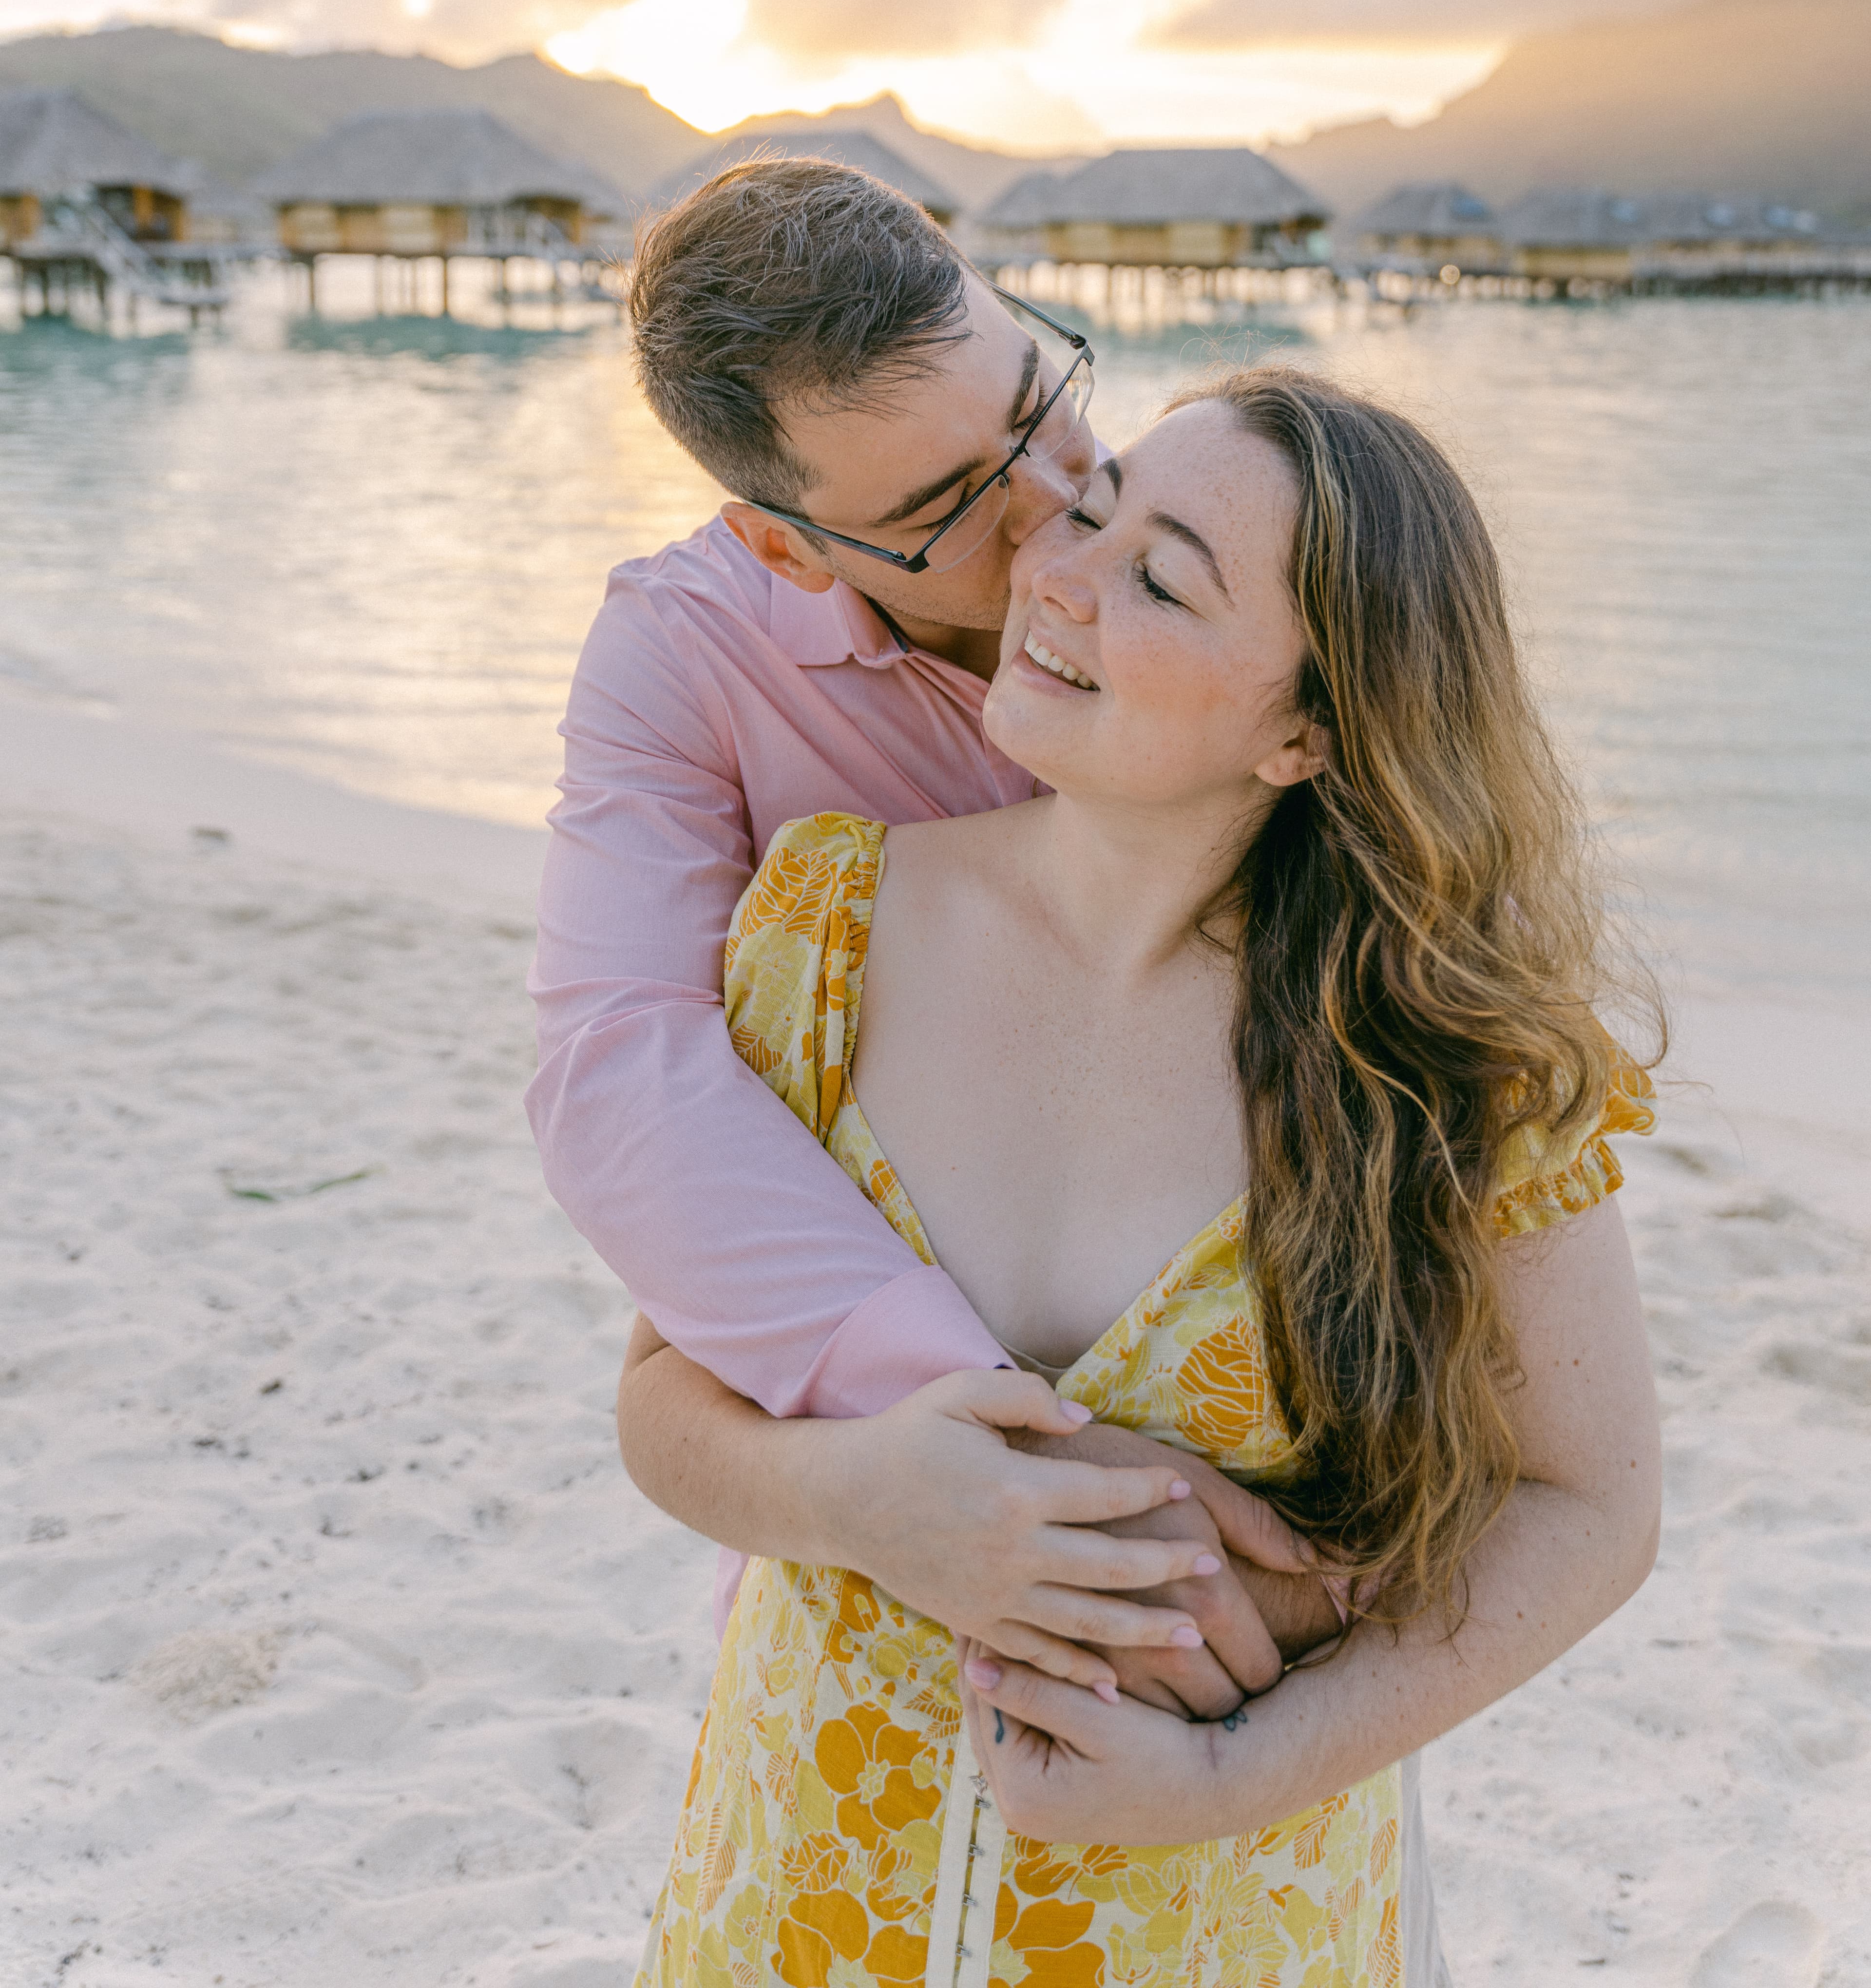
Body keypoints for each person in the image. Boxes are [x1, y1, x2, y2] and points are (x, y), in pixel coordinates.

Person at [616, 367, 1661, 1987]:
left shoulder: (1453, 1065)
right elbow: (664, 1406)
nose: (1058, 579)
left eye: (1164, 579)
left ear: (1306, 727)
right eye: (1094, 513)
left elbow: (1592, 1511)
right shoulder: (822, 927)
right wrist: (872, 1503)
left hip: (1232, 1914)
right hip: (801, 1888)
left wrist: (1235, 1776)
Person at [529, 158, 1336, 1701]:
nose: (1050, 524)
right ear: (785, 544)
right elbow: (620, 1064)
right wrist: (991, 1438)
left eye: (1039, 407)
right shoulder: (683, 655)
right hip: (880, 1480)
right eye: (948, 506)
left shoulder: (1216, 541)